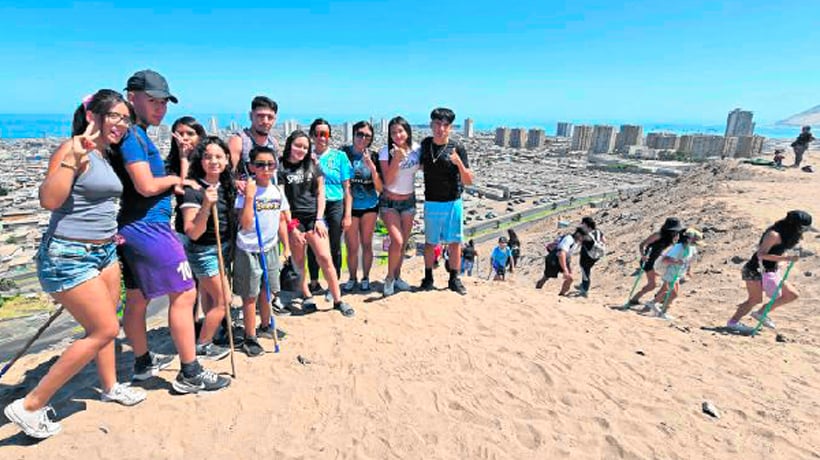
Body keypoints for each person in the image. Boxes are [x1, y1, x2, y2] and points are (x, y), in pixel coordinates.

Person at [4, 90, 146, 439]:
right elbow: (49, 200)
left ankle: (110, 386)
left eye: (125, 119)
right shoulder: (73, 149)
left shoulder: (103, 153)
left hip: (104, 251)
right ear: (92, 116)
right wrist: (73, 158)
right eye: (114, 116)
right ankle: (30, 405)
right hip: (69, 255)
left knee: (106, 323)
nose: (121, 124)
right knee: (104, 330)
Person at [114, 69, 230, 393]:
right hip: (149, 227)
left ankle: (142, 362)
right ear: (132, 97)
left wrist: (181, 162)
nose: (160, 108)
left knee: (137, 298)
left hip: (131, 226)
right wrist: (175, 179)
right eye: (153, 101)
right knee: (185, 292)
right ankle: (190, 371)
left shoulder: (137, 134)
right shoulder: (133, 137)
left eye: (164, 102)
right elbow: (146, 185)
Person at [278, 130, 354, 317]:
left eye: (305, 147)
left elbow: (321, 192)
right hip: (294, 219)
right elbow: (281, 199)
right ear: (289, 145)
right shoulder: (281, 167)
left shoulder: (312, 165)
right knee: (299, 261)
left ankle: (337, 299)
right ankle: (307, 296)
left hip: (313, 217)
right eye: (298, 145)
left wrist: (320, 218)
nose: (301, 150)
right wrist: (292, 226)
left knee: (325, 258)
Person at [179, 136, 236, 361]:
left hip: (223, 248)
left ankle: (211, 332)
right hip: (203, 251)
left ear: (227, 159)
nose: (214, 161)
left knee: (212, 298)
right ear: (200, 160)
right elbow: (192, 232)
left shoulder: (227, 185)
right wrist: (205, 205)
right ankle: (203, 344)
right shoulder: (194, 190)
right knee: (224, 300)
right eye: (208, 156)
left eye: (219, 156)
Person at [234, 145, 290, 356]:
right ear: (251, 167)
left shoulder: (276, 190)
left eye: (270, 164)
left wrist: (286, 246)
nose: (266, 169)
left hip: (270, 246)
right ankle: (249, 336)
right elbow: (246, 223)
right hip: (249, 248)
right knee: (250, 295)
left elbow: (282, 219)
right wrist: (250, 198)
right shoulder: (246, 191)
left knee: (268, 290)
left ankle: (265, 325)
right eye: (260, 164)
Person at [726, 210, 812, 333]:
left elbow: (777, 251)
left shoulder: (787, 235)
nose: (803, 231)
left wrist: (781, 261)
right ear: (794, 225)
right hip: (754, 271)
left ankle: (761, 313)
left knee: (792, 295)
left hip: (771, 271)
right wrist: (786, 259)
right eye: (803, 228)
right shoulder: (773, 235)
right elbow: (761, 255)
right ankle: (732, 322)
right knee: (755, 299)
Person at [418, 108, 474, 295]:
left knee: (454, 242)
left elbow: (469, 180)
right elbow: (419, 165)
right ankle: (428, 277)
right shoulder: (426, 144)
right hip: (431, 200)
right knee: (429, 242)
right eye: (437, 124)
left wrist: (459, 163)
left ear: (450, 127)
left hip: (452, 201)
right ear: (431, 125)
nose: (440, 128)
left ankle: (454, 279)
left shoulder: (458, 147)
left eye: (445, 125)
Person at [306, 118, 352, 296]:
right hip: (313, 204)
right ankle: (314, 281)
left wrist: (347, 214)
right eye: (317, 134)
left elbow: (347, 187)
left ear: (330, 136)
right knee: (313, 244)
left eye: (324, 134)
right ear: (312, 136)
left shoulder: (339, 157)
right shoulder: (306, 156)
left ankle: (334, 284)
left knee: (334, 245)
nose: (321, 137)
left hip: (334, 203)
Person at [379, 116, 420, 295]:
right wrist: (396, 159)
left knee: (403, 244)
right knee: (397, 240)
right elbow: (387, 181)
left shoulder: (416, 149)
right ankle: (389, 278)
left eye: (400, 131)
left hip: (409, 201)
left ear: (407, 131)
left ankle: (397, 276)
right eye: (393, 132)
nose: (397, 135)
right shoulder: (384, 152)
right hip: (389, 202)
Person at [341, 121, 383, 292]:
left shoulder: (374, 156)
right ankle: (352, 277)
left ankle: (365, 277)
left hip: (369, 205)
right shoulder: (344, 154)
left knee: (367, 244)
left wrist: (372, 168)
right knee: (352, 246)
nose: (363, 138)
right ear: (353, 134)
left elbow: (380, 188)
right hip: (350, 207)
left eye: (367, 136)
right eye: (360, 134)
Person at [644, 228, 701, 320]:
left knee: (672, 293)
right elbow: (665, 259)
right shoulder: (678, 247)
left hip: (678, 273)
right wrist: (676, 262)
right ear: (689, 239)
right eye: (695, 241)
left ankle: (655, 305)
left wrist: (688, 270)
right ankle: (656, 307)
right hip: (671, 272)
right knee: (673, 294)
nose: (696, 243)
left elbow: (689, 260)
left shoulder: (691, 248)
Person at [628, 217, 683, 306]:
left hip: (658, 262)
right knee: (652, 285)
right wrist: (643, 255)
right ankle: (634, 299)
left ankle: (657, 298)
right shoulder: (658, 235)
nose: (675, 232)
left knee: (666, 281)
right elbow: (642, 244)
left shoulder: (672, 237)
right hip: (648, 261)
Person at [229, 96, 280, 184]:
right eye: (260, 116)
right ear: (251, 116)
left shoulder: (273, 143)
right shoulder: (239, 141)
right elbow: (227, 173)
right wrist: (236, 183)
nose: (265, 121)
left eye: (270, 117)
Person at [535, 227, 587, 295]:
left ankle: (561, 295)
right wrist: (565, 269)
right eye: (583, 237)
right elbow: (561, 254)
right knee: (546, 277)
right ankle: (536, 291)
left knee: (570, 278)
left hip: (564, 259)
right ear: (578, 234)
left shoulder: (576, 242)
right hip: (554, 259)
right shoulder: (569, 239)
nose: (584, 239)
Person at [578, 217, 606, 297]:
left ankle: (585, 290)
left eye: (583, 224)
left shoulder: (585, 234)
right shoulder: (598, 231)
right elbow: (604, 241)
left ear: (587, 225)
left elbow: (579, 242)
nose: (581, 225)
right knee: (587, 270)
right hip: (596, 256)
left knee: (585, 272)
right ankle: (583, 284)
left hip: (586, 257)